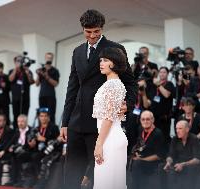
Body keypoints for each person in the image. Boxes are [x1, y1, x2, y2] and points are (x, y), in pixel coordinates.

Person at [60, 9, 136, 189]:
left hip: (100, 124)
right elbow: (72, 88)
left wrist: (129, 104)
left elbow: (130, 83)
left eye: (96, 31)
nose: (93, 36)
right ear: (82, 29)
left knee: (99, 175)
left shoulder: (115, 49)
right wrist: (65, 121)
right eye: (88, 32)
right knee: (71, 173)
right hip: (76, 122)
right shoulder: (77, 51)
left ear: (102, 28)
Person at [91, 47, 128, 189]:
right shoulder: (115, 84)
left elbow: (108, 118)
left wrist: (99, 144)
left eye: (105, 60)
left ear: (114, 63)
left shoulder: (112, 85)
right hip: (112, 137)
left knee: (106, 184)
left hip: (109, 140)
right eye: (101, 60)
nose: (101, 63)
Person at [129, 110, 164, 189]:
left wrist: (141, 159)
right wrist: (136, 152)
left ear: (153, 120)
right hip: (140, 163)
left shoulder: (158, 134)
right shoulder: (140, 129)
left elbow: (159, 156)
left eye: (148, 119)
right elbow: (140, 144)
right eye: (143, 119)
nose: (145, 121)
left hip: (152, 165)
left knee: (137, 164)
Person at [163, 120, 200, 189]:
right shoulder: (175, 139)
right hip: (178, 163)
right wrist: (168, 162)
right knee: (163, 167)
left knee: (190, 169)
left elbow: (197, 159)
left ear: (187, 129)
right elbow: (171, 155)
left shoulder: (194, 139)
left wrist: (183, 164)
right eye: (176, 128)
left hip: (190, 164)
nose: (177, 131)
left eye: (180, 128)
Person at [9, 56, 34, 129]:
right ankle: (16, 133)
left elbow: (32, 82)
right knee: (15, 116)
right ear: (15, 62)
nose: (20, 62)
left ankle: (24, 133)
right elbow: (10, 79)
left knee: (24, 116)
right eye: (18, 60)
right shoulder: (12, 71)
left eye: (21, 60)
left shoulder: (27, 71)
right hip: (15, 98)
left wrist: (27, 72)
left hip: (25, 98)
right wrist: (15, 69)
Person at [152, 67, 175, 146]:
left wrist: (158, 85)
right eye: (160, 72)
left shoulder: (169, 84)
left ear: (167, 74)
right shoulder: (154, 84)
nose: (162, 74)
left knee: (164, 136)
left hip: (164, 116)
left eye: (164, 72)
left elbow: (166, 95)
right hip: (154, 115)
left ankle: (164, 155)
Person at [36, 52, 60, 123]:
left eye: (50, 58)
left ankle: (52, 133)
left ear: (52, 59)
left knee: (51, 115)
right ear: (45, 58)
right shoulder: (41, 69)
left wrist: (47, 76)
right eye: (47, 57)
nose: (49, 59)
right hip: (42, 96)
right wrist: (39, 74)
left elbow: (55, 84)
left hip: (51, 96)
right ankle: (41, 131)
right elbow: (37, 84)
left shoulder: (55, 71)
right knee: (42, 115)